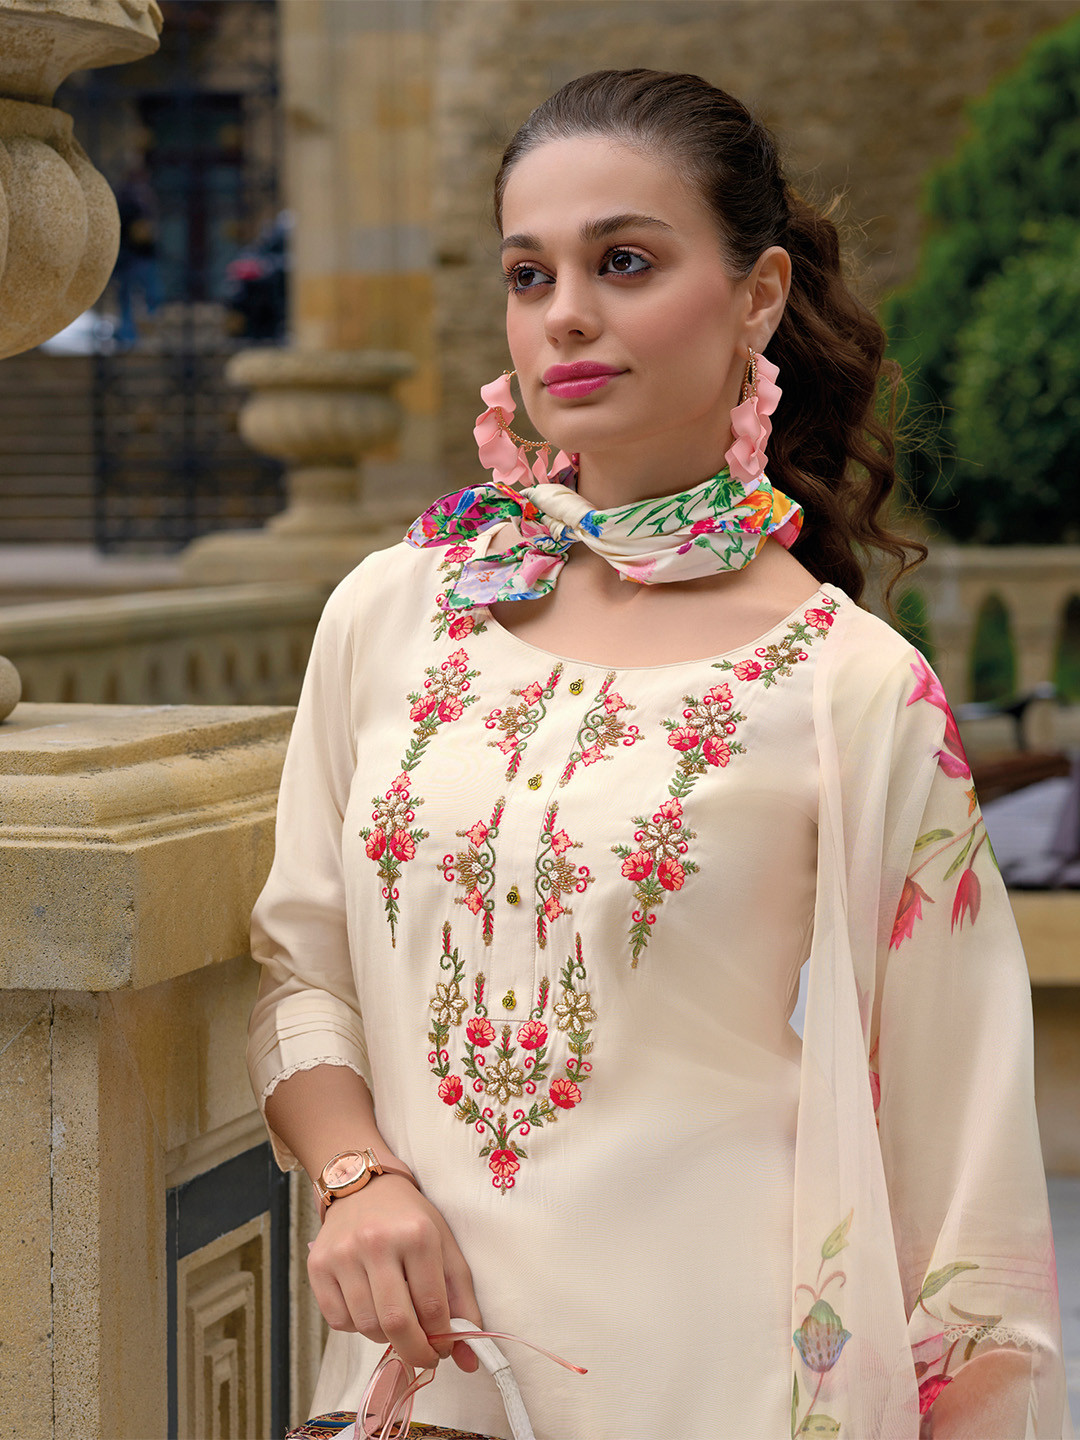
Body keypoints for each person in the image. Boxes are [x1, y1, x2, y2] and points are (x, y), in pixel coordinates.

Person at [246, 70, 1073, 1439]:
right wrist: (354, 1176)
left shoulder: (851, 689)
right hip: (426, 1385)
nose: (566, 313)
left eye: (624, 262)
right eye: (530, 274)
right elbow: (302, 962)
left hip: (733, 1379)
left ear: (758, 295)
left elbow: (961, 1170)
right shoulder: (394, 614)